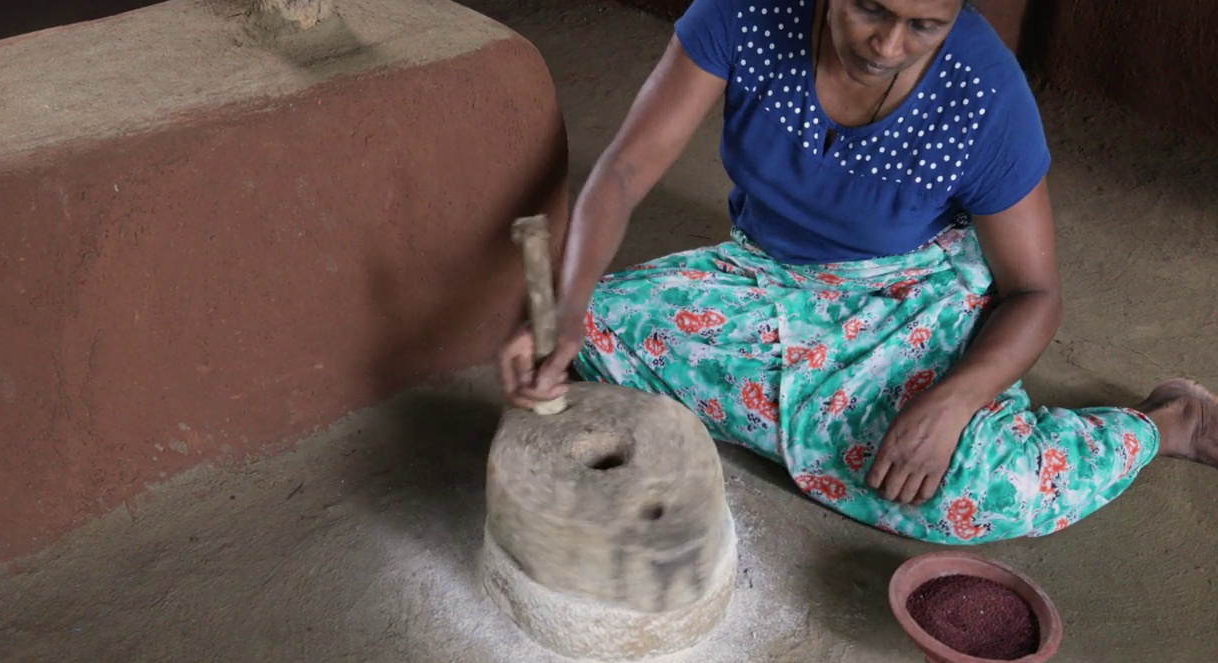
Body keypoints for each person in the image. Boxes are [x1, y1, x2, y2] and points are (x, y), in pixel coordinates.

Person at [497, 0, 1217, 543]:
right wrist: (564, 309)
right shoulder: (747, 13)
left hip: (911, 294)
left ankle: (1165, 423)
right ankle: (805, 418)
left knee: (985, 491)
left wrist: (954, 401)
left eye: (925, 25)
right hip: (769, 275)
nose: (889, 44)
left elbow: (1035, 293)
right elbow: (623, 170)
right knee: (581, 333)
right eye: (871, 6)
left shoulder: (983, 93)